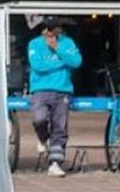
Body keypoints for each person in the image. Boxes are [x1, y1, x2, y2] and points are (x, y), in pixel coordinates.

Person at [28, 17, 83, 177]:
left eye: (56, 30)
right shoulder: (34, 44)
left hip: (62, 90)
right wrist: (62, 62)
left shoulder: (67, 42)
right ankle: (42, 138)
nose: (54, 33)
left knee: (60, 126)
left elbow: (76, 61)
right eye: (51, 30)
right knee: (39, 119)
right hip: (40, 89)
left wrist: (57, 48)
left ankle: (55, 163)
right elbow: (37, 65)